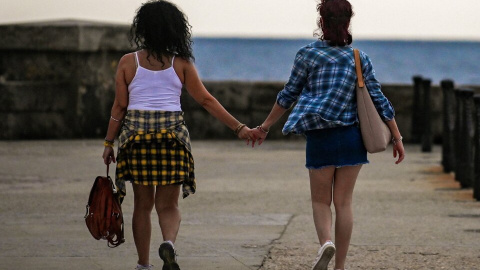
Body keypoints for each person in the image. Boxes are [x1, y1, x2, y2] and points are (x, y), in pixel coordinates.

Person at [249, 0, 405, 269]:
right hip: (352, 138)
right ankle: (340, 266)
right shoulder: (359, 57)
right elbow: (379, 100)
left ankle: (325, 243)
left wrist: (264, 127)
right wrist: (397, 137)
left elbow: (288, 96)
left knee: (321, 201)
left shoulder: (307, 55)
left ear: (321, 22)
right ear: (347, 23)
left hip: (320, 138)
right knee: (344, 203)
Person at [101, 1, 251, 269]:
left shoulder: (128, 62)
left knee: (142, 206)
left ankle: (143, 264)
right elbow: (206, 100)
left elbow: (120, 107)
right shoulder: (181, 63)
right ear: (175, 29)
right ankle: (168, 244)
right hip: (172, 142)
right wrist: (239, 128)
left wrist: (109, 142)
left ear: (143, 28)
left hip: (137, 142)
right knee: (168, 207)